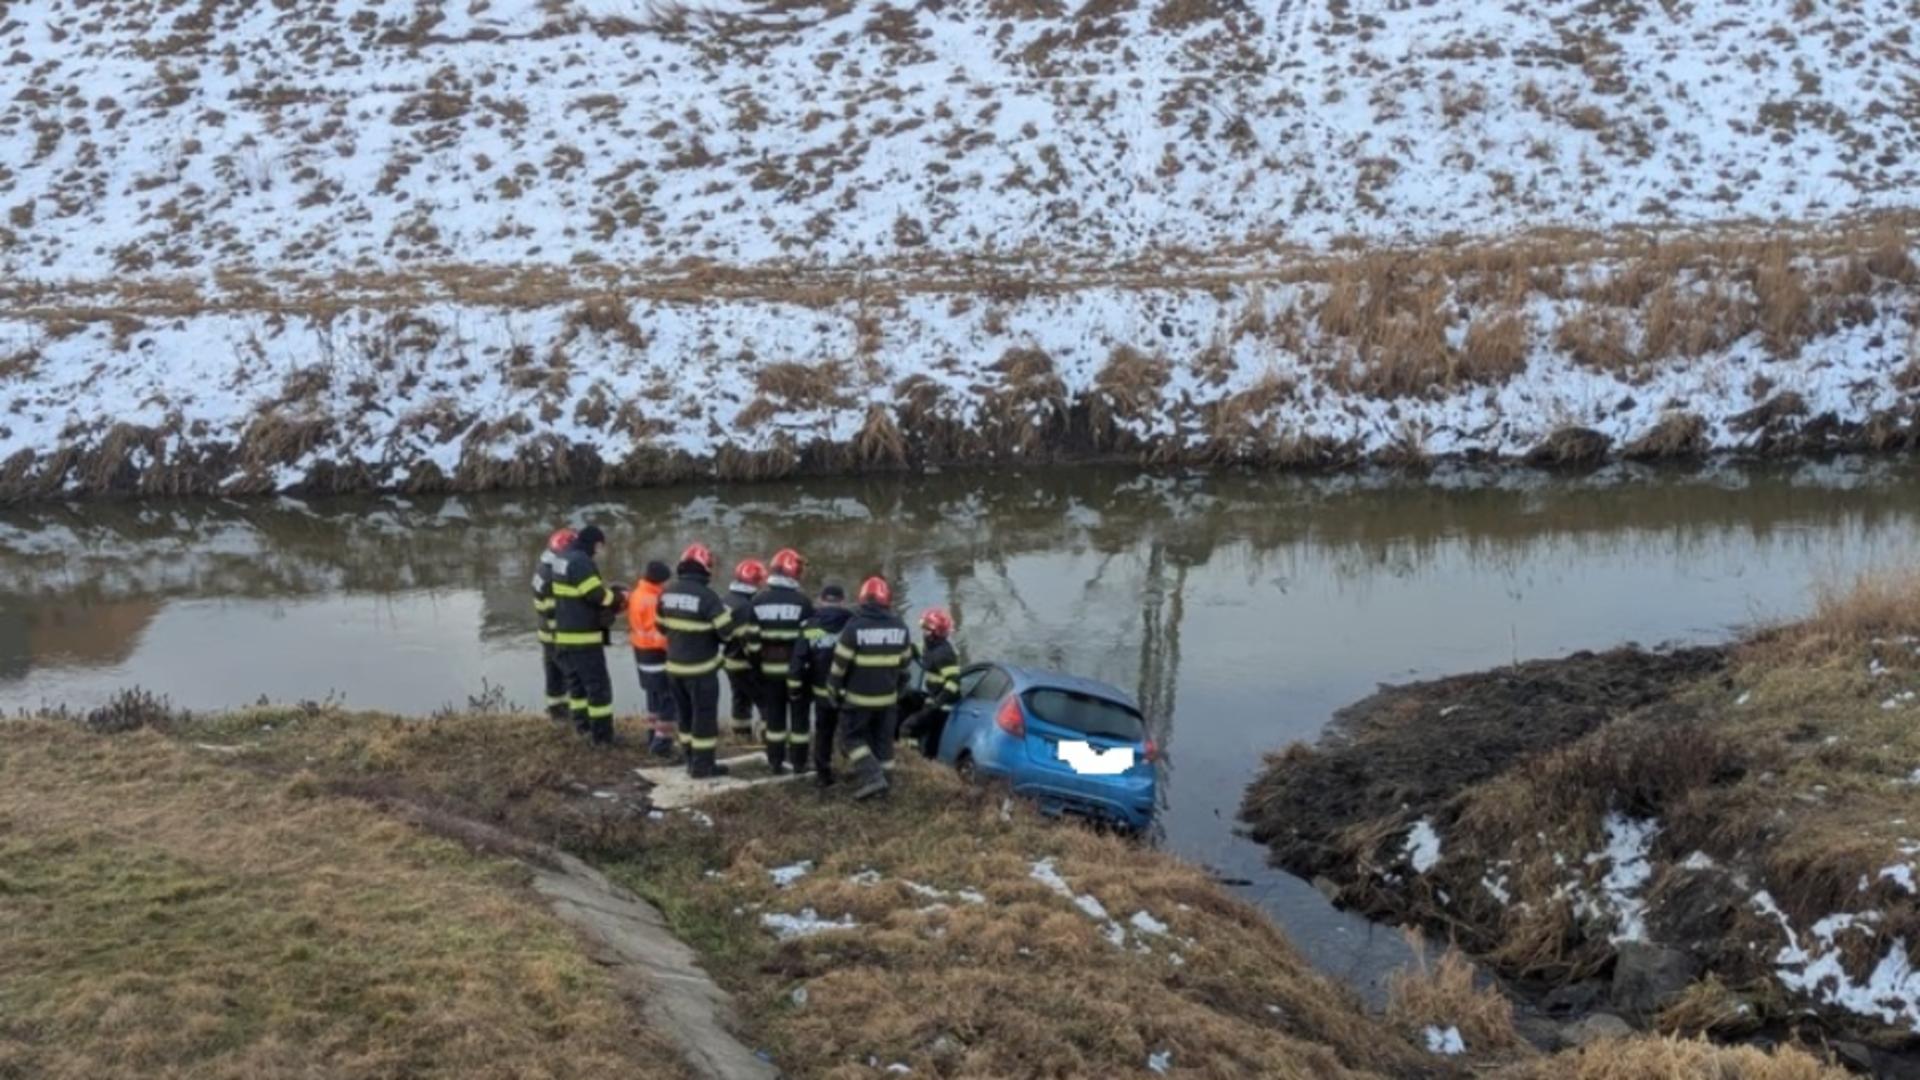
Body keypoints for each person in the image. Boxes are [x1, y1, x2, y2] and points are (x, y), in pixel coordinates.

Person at [828, 577, 913, 800]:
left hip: (858, 700)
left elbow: (839, 667)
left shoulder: (854, 627)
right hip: (887, 700)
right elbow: (905, 665)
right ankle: (885, 786)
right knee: (883, 742)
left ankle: (873, 778)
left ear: (863, 600)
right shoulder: (900, 627)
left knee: (851, 738)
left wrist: (833, 691)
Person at [659, 543, 739, 778]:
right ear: (705, 569)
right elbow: (727, 633)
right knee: (703, 718)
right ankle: (703, 766)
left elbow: (660, 626)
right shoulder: (708, 596)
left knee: (684, 715)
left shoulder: (667, 592)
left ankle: (689, 758)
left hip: (674, 668)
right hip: (701, 671)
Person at [551, 525, 624, 745]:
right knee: (598, 688)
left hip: (564, 635)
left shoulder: (562, 558)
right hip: (584, 637)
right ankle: (602, 738)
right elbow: (595, 595)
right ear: (595, 543)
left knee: (578, 687)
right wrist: (617, 599)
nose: (600, 551)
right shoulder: (581, 562)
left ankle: (582, 728)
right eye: (600, 546)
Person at [749, 548, 814, 774]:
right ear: (793, 571)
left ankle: (775, 761)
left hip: (769, 673)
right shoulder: (803, 602)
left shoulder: (757, 601)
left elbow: (751, 640)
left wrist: (756, 667)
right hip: (797, 674)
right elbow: (811, 639)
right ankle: (799, 762)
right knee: (799, 720)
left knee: (774, 718)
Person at [790, 582, 852, 787]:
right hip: (849, 692)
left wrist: (795, 688)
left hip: (821, 692)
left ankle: (823, 775)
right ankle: (854, 771)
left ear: (821, 601)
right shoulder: (852, 624)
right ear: (842, 601)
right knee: (852, 731)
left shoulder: (811, 628)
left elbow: (798, 660)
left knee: (823, 732)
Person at [627, 560, 677, 757]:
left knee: (653, 697)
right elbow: (661, 632)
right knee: (668, 699)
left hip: (641, 652)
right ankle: (661, 746)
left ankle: (652, 736)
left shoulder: (637, 594)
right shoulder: (655, 600)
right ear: (660, 581)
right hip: (657, 653)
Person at [903, 608, 962, 758]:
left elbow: (954, 682)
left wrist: (936, 703)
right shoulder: (930, 647)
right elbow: (915, 650)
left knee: (909, 728)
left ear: (935, 632)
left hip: (942, 708)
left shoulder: (944, 654)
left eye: (926, 629)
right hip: (933, 701)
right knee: (928, 743)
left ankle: (913, 761)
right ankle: (922, 760)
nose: (923, 632)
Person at [532, 527, 577, 725]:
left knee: (553, 673)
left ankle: (556, 710)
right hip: (555, 633)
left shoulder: (544, 565)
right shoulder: (553, 574)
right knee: (570, 673)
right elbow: (554, 609)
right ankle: (569, 713)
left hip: (545, 632)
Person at [722, 558, 767, 740]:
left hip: (729, 660)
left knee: (740, 699)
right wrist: (758, 664)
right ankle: (767, 737)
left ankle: (741, 736)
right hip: (744, 663)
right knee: (765, 701)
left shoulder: (726, 599)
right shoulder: (746, 607)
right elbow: (751, 643)